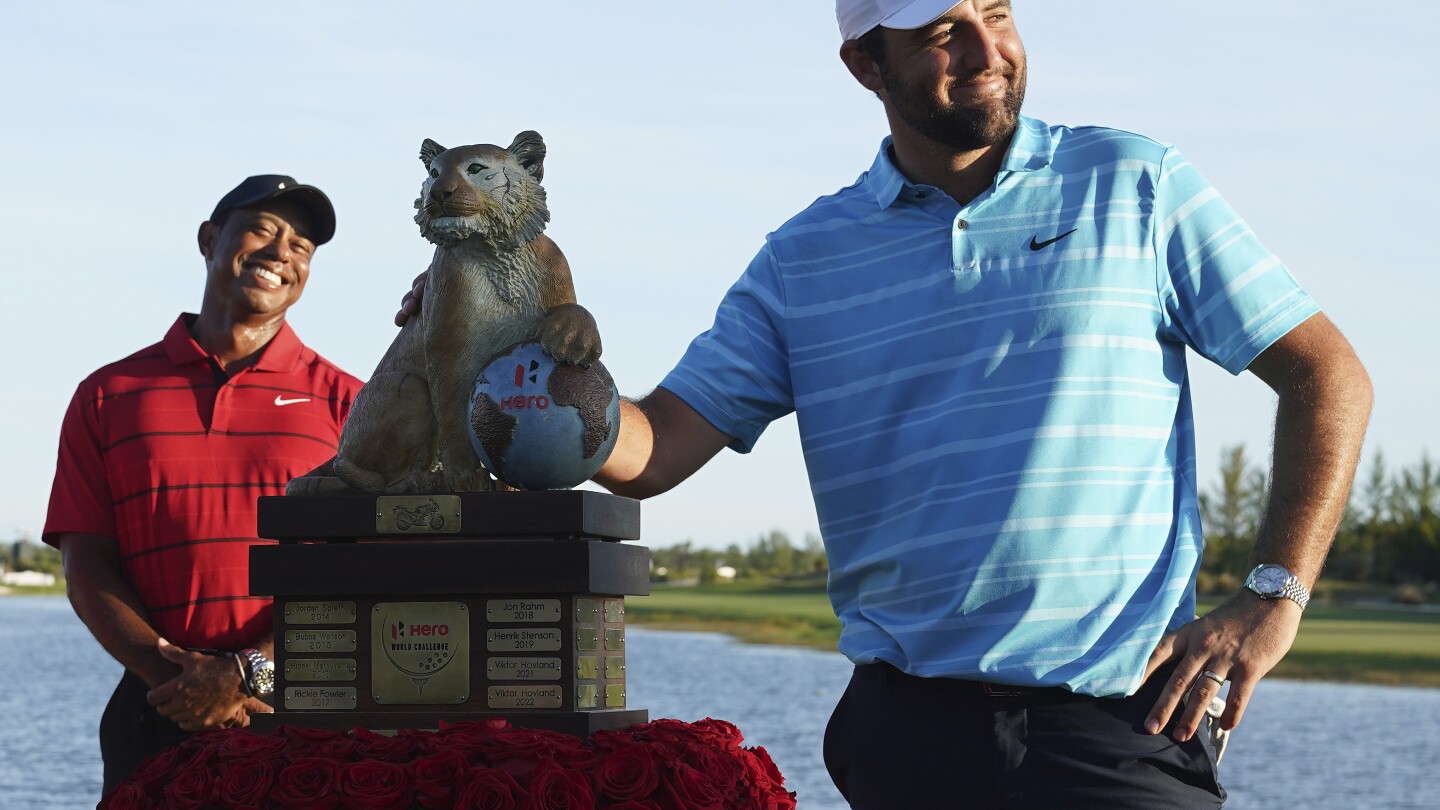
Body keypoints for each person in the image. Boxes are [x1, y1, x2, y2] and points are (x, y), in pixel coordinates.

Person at [392, 2, 1370, 804]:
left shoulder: (1137, 183)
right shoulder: (802, 259)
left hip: (1115, 732)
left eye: (998, 12)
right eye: (943, 30)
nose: (988, 50)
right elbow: (652, 446)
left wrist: (1272, 597)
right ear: (867, 63)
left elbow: (1328, 375)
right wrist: (519, 333)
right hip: (905, 740)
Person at [44, 175, 363, 797]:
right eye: (263, 230)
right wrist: (183, 685)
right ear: (209, 239)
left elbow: (368, 576)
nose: (281, 252)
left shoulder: (350, 405)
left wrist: (249, 675)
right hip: (156, 709)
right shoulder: (107, 394)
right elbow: (87, 566)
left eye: (301, 246)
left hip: (303, 713)